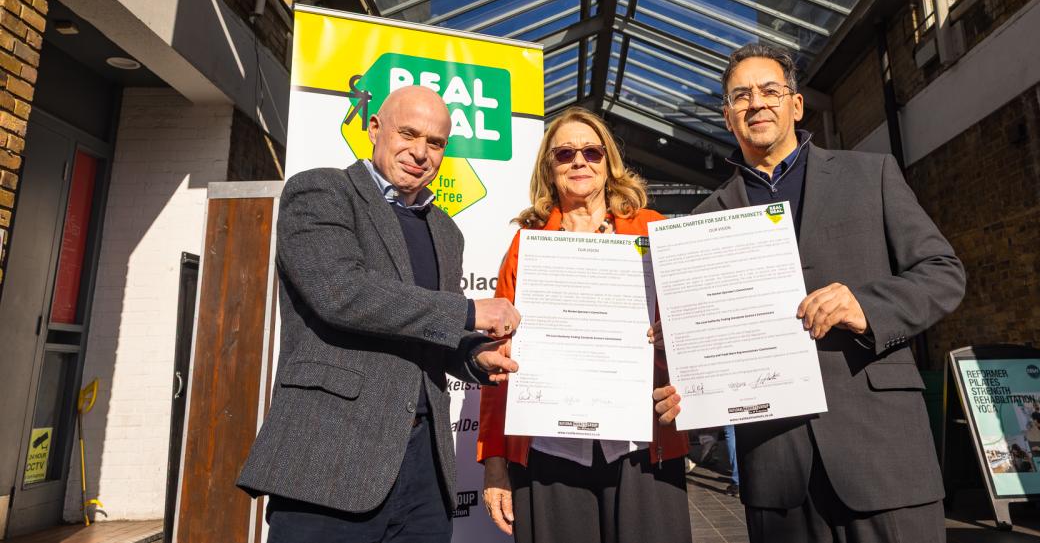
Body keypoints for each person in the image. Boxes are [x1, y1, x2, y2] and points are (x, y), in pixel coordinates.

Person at [653, 44, 966, 543]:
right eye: (741, 96)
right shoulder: (704, 220)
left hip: (883, 453)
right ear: (727, 117)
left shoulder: (871, 174)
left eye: (769, 90)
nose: (756, 103)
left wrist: (866, 306)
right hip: (778, 470)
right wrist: (685, 361)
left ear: (796, 105)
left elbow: (943, 273)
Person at [237, 86, 522, 543]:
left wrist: (473, 356)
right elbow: (341, 293)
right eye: (408, 134)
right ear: (374, 129)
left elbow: (430, 331)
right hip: (331, 456)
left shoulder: (445, 231)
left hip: (425, 467)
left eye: (435, 142)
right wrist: (469, 311)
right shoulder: (321, 191)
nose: (420, 152)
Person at [477, 106, 691, 543]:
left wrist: (676, 350)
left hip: (642, 448)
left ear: (608, 163)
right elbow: (498, 354)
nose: (579, 161)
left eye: (591, 152)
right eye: (565, 153)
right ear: (549, 167)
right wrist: (495, 460)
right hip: (551, 451)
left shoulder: (652, 230)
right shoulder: (526, 244)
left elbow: (693, 327)